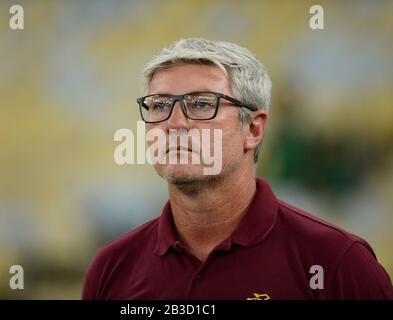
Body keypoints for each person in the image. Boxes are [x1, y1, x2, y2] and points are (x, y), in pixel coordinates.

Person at [82, 38, 393, 299]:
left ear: (254, 130)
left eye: (202, 104)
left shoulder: (337, 263)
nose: (174, 123)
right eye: (160, 105)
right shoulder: (111, 268)